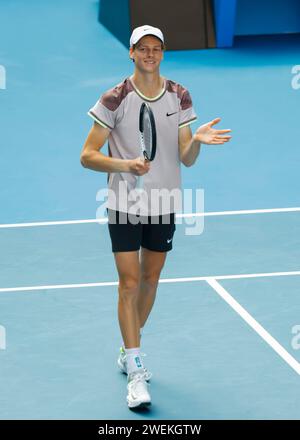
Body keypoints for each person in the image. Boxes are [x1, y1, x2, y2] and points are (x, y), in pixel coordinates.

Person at [80, 25, 231, 409]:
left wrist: (196, 142)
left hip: (164, 202)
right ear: (131, 53)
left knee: (150, 279)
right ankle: (136, 369)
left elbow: (186, 158)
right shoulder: (115, 98)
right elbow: (88, 155)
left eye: (156, 49)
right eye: (142, 49)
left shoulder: (179, 95)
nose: (149, 54)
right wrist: (125, 164)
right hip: (125, 203)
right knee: (129, 284)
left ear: (162, 53)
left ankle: (129, 346)